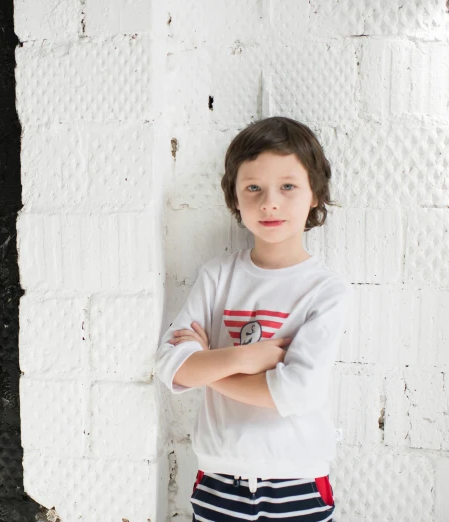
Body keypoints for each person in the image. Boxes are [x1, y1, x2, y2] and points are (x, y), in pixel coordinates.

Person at [154, 116, 353, 521]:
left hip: (296, 480)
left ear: (314, 193)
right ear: (235, 197)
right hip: (217, 479)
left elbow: (295, 393)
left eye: (288, 187)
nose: (269, 202)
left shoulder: (326, 290)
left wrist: (210, 365)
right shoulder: (217, 275)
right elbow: (171, 366)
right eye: (253, 188)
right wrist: (250, 358)